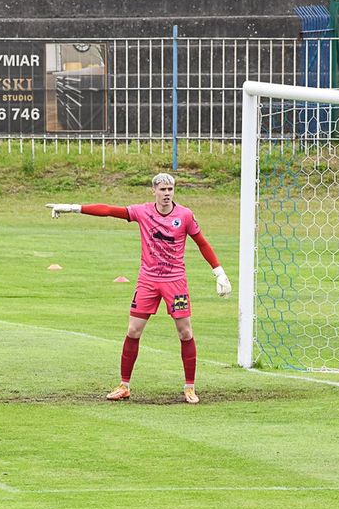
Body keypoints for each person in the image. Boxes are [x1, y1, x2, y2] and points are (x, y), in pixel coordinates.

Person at [46, 172, 231, 403]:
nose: (166, 194)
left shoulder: (184, 215)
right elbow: (110, 211)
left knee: (185, 332)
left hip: (175, 281)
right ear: (153, 191)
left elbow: (202, 242)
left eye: (170, 189)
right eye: (162, 190)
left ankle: (190, 387)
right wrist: (74, 208)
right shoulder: (143, 211)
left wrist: (219, 272)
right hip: (148, 281)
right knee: (133, 331)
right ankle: (124, 385)